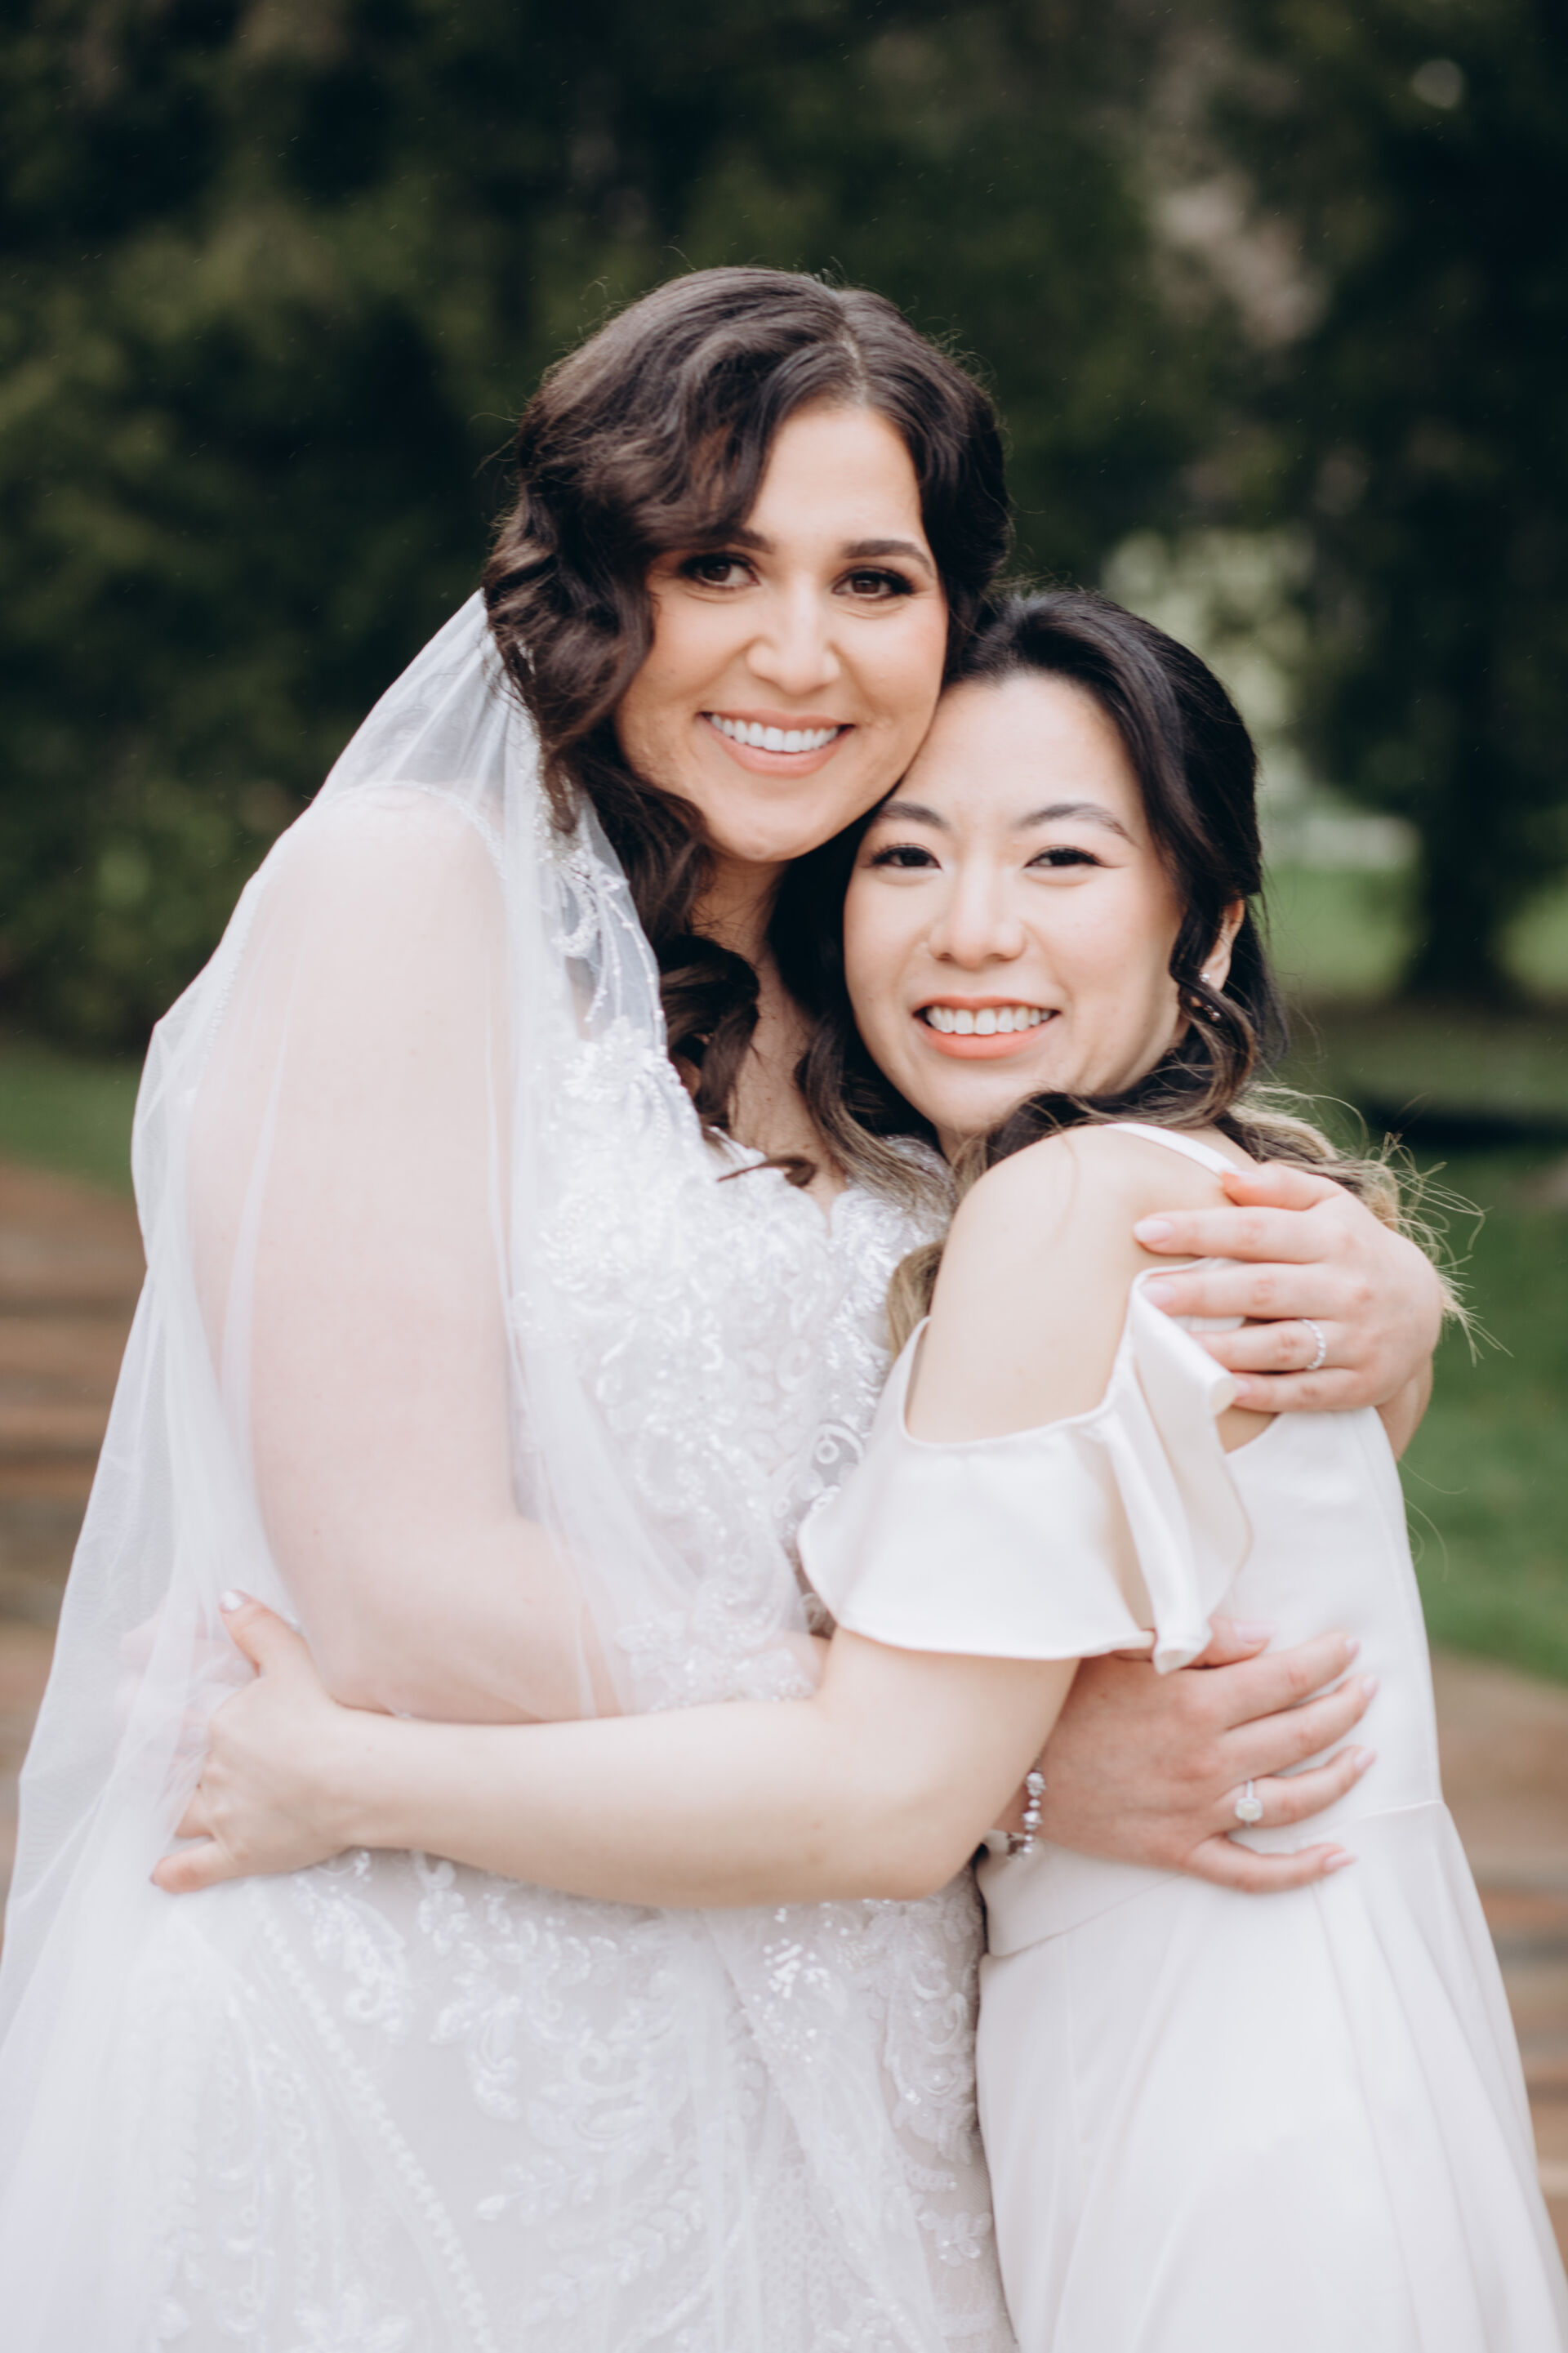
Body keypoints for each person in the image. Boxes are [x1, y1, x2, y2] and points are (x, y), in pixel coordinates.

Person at [0, 271, 1437, 2352]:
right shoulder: (409, 895)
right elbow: (403, 1595)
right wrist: (990, 1779)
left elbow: (1107, 1427)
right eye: (716, 564)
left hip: (839, 2042)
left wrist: (1376, 1315)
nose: (798, 651)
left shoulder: (910, 994)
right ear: (597, 588)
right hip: (447, 2029)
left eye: (874, 578)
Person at [165, 591, 1568, 2351]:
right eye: (907, 856)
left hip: (1212, 2108)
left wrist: (350, 1780)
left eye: (1063, 859)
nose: (973, 928)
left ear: (1206, 927)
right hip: (1276, 2068)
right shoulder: (1177, 1200)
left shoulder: (1065, 1208)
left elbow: (886, 1799)